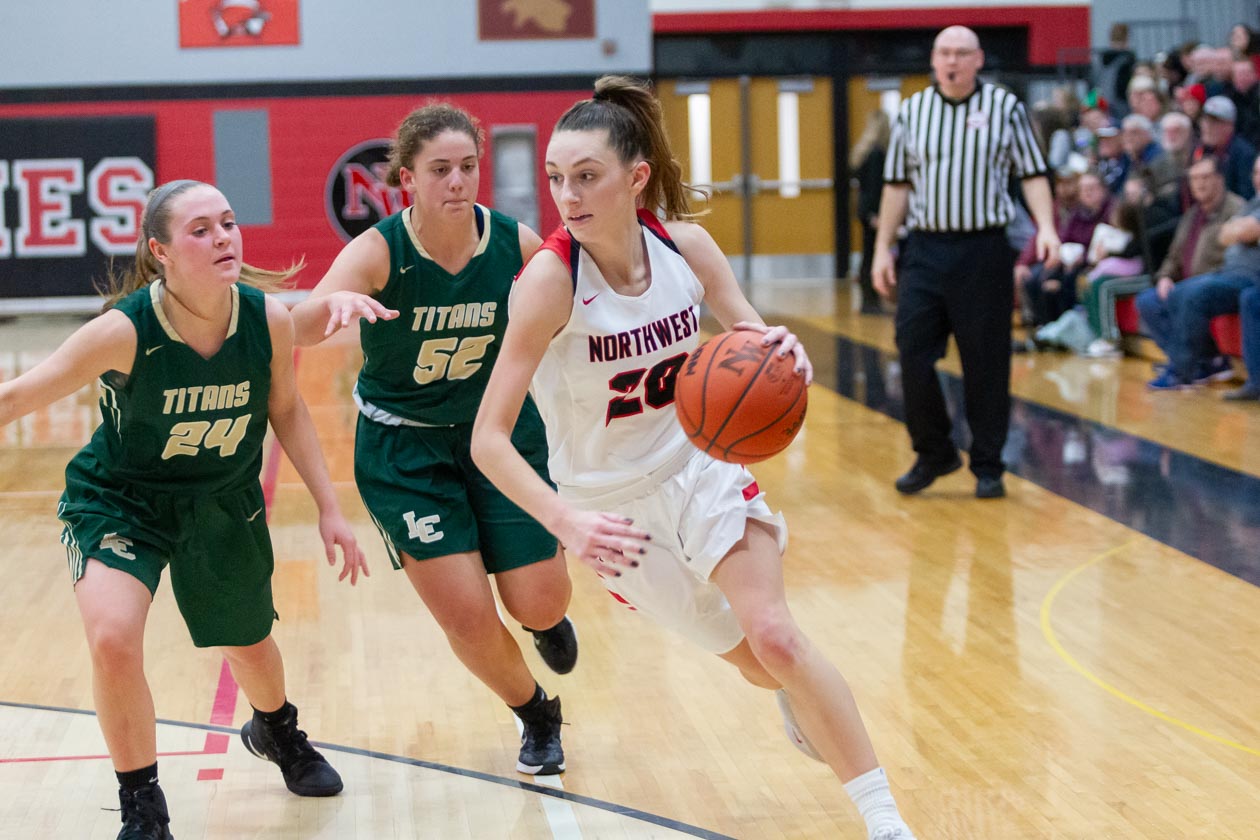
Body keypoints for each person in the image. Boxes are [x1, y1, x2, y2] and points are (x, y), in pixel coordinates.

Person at [470, 76, 917, 840]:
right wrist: (565, 522)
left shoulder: (687, 248)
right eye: (556, 179)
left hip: (699, 469)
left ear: (635, 177)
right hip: (608, 511)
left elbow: (754, 336)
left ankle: (884, 821)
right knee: (752, 661)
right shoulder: (548, 283)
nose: (567, 196)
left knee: (776, 635)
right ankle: (789, 692)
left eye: (587, 177)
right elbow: (488, 437)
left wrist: (782, 353)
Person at [0, 180, 368, 840]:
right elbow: (16, 398)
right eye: (200, 229)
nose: (223, 236)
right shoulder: (122, 331)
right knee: (113, 639)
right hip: (121, 502)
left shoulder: (268, 320)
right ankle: (143, 803)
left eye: (228, 222)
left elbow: (285, 406)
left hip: (220, 501)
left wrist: (328, 506)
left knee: (250, 647)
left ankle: (276, 729)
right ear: (160, 251)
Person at [288, 103, 577, 777]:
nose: (457, 181)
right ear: (409, 179)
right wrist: (330, 308)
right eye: (440, 169)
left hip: (497, 433)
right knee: (469, 615)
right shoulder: (377, 252)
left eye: (468, 167)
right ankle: (536, 712)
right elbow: (299, 327)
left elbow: (575, 316)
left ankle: (544, 621)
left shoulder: (518, 245)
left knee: (540, 598)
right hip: (405, 451)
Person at [873, 25, 1060, 499]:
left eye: (961, 52)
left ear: (978, 60)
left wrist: (1048, 228)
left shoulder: (1005, 109)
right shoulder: (912, 112)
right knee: (912, 349)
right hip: (926, 249)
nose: (952, 61)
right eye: (944, 53)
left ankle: (989, 463)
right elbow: (896, 185)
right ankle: (934, 453)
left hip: (984, 249)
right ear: (933, 61)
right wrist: (881, 249)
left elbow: (1033, 174)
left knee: (985, 362)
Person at [1147, 155, 1260, 389]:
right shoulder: (1252, 204)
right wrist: (1165, 276)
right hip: (1226, 273)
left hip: (1246, 278)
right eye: (1256, 173)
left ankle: (1183, 372)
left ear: (1219, 179)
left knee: (1194, 294)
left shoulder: (1237, 205)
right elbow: (1224, 235)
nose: (1259, 179)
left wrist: (1240, 230)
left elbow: (1244, 231)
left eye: (1205, 177)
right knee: (1167, 295)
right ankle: (1197, 362)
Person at [850, 109, 892, 314]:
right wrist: (877, 214)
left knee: (867, 254)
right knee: (871, 255)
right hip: (872, 211)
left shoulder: (864, 151)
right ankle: (870, 300)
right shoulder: (877, 153)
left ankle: (868, 300)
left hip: (864, 209)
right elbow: (876, 187)